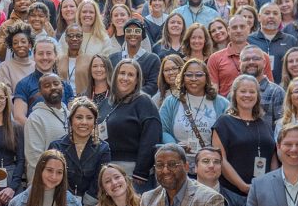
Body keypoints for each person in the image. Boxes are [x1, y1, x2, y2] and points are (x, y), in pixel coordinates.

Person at [97, 60, 162, 193]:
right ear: (115, 76)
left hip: (134, 176)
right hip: (107, 172)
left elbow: (151, 138)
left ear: (137, 80)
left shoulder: (144, 102)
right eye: (122, 73)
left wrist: (141, 172)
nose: (125, 78)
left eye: (131, 75)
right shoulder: (105, 104)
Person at [160, 58, 229, 174]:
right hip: (179, 165)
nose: (193, 79)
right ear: (183, 77)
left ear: (207, 78)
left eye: (199, 75)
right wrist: (174, 146)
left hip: (209, 167)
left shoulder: (221, 103)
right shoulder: (171, 102)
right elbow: (162, 130)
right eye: (189, 75)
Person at [212, 74, 278, 196]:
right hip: (233, 193)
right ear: (235, 94)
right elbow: (221, 159)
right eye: (243, 91)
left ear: (257, 96)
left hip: (264, 192)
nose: (247, 95)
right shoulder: (223, 122)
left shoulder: (264, 124)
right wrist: (243, 186)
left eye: (252, 92)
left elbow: (273, 156)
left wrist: (271, 182)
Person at [13, 36, 76, 126]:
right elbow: (19, 117)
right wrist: (39, 130)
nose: (45, 57)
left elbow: (73, 115)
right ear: (34, 56)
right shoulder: (23, 84)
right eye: (40, 53)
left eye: (49, 53)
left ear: (55, 56)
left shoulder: (65, 86)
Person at [208, 14, 274, 95]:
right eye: (234, 27)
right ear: (228, 31)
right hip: (226, 102)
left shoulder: (262, 57)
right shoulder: (215, 58)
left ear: (248, 29)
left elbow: (270, 89)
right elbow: (213, 91)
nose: (238, 30)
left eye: (242, 27)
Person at [23, 73, 70, 182]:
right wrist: (54, 176)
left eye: (56, 83)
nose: (53, 87)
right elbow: (34, 158)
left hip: (67, 180)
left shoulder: (70, 114)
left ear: (62, 87)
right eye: (47, 86)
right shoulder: (35, 118)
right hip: (43, 182)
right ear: (40, 92)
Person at [249, 3, 298, 84]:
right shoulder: (249, 40)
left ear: (280, 19)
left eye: (275, 13)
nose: (271, 16)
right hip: (254, 88)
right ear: (259, 17)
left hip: (285, 88)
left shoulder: (291, 41)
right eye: (267, 13)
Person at [109, 17, 161, 96]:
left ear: (142, 35)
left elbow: (153, 86)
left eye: (137, 31)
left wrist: (129, 95)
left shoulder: (153, 59)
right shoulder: (112, 58)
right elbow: (109, 82)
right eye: (129, 31)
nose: (133, 34)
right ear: (124, 35)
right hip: (116, 100)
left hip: (140, 101)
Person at [240, 45, 286, 134]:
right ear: (240, 63)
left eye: (256, 58)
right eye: (246, 59)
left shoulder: (276, 92)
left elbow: (282, 128)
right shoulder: (234, 92)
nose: (251, 62)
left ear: (264, 63)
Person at [0, 23, 36, 92]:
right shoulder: (4, 67)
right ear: (11, 46)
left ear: (30, 44)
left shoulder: (37, 66)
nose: (19, 45)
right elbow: (5, 93)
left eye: (23, 42)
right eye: (15, 43)